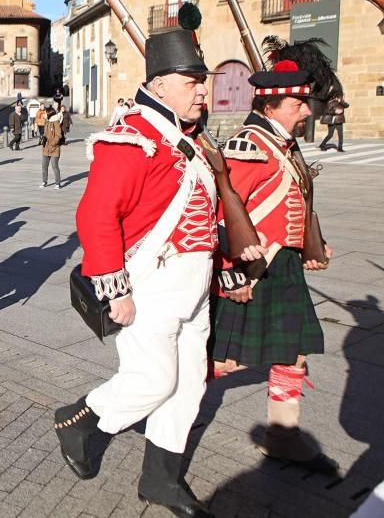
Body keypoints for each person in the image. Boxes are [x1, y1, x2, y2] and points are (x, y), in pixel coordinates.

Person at [55, 30, 265, 517]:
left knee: (189, 384)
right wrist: (114, 287)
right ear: (160, 83)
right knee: (152, 380)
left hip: (193, 284)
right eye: (190, 80)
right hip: (149, 281)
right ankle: (81, 422)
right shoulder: (133, 138)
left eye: (201, 80)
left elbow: (208, 211)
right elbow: (96, 216)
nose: (201, 89)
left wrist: (226, 270)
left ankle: (161, 480)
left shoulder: (193, 138)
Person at [211, 58, 337, 472]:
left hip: (282, 265)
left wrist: (310, 245)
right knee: (221, 362)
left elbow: (290, 206)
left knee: (294, 354)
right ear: (269, 107)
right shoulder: (249, 146)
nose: (306, 111)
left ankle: (281, 436)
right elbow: (224, 215)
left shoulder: (284, 145)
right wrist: (233, 274)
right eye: (296, 103)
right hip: (253, 270)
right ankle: (156, 409)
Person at [40, 108, 64, 189]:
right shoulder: (47, 121)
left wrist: (53, 143)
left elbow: (59, 135)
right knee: (44, 166)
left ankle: (58, 183)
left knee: (54, 166)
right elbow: (45, 133)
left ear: (49, 113)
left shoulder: (56, 122)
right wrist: (43, 139)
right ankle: (44, 181)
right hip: (46, 147)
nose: (44, 113)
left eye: (46, 112)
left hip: (54, 148)